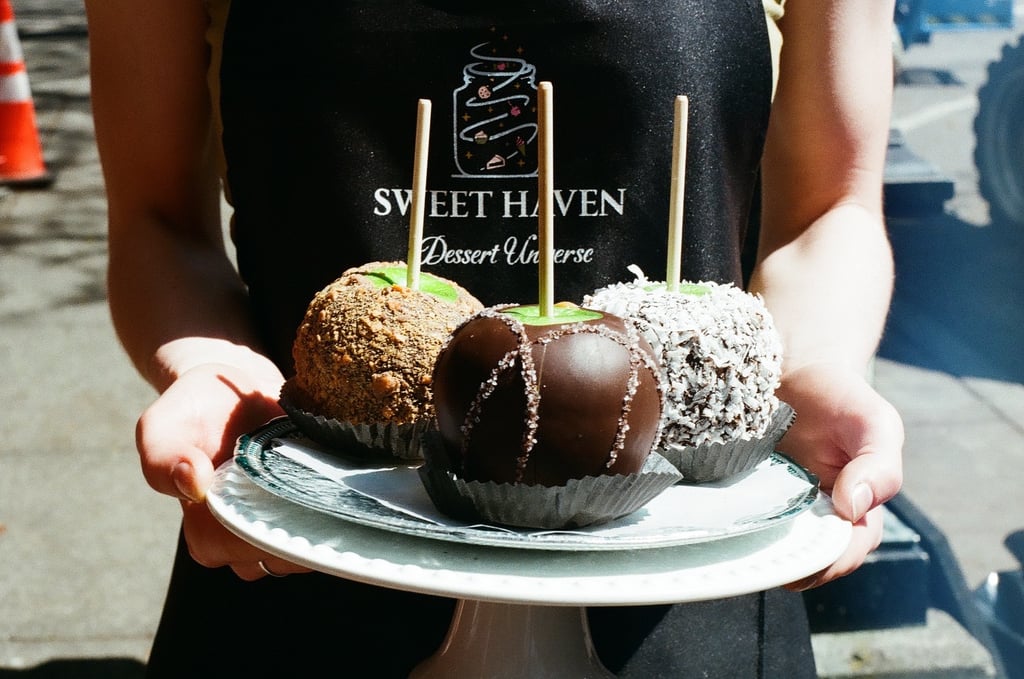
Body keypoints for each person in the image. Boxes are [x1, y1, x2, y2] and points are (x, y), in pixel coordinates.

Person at [85, 0, 904, 676]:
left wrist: (813, 368)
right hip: (296, 545)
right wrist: (214, 367)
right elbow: (159, 220)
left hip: (687, 569)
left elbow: (831, 206)